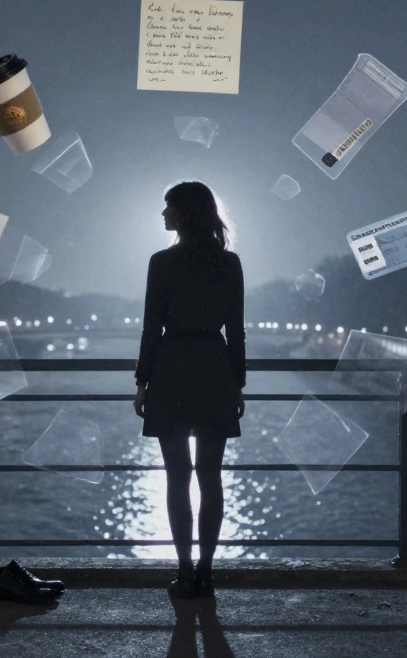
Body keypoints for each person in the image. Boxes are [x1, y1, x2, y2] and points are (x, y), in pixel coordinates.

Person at [133, 181, 245, 600]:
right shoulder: (228, 264)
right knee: (211, 478)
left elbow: (151, 328)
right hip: (214, 371)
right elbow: (236, 331)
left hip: (172, 370)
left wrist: (142, 381)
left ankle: (183, 573)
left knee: (177, 478)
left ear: (184, 214)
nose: (163, 215)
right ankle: (207, 573)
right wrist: (238, 383)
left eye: (168, 208)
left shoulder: (161, 263)